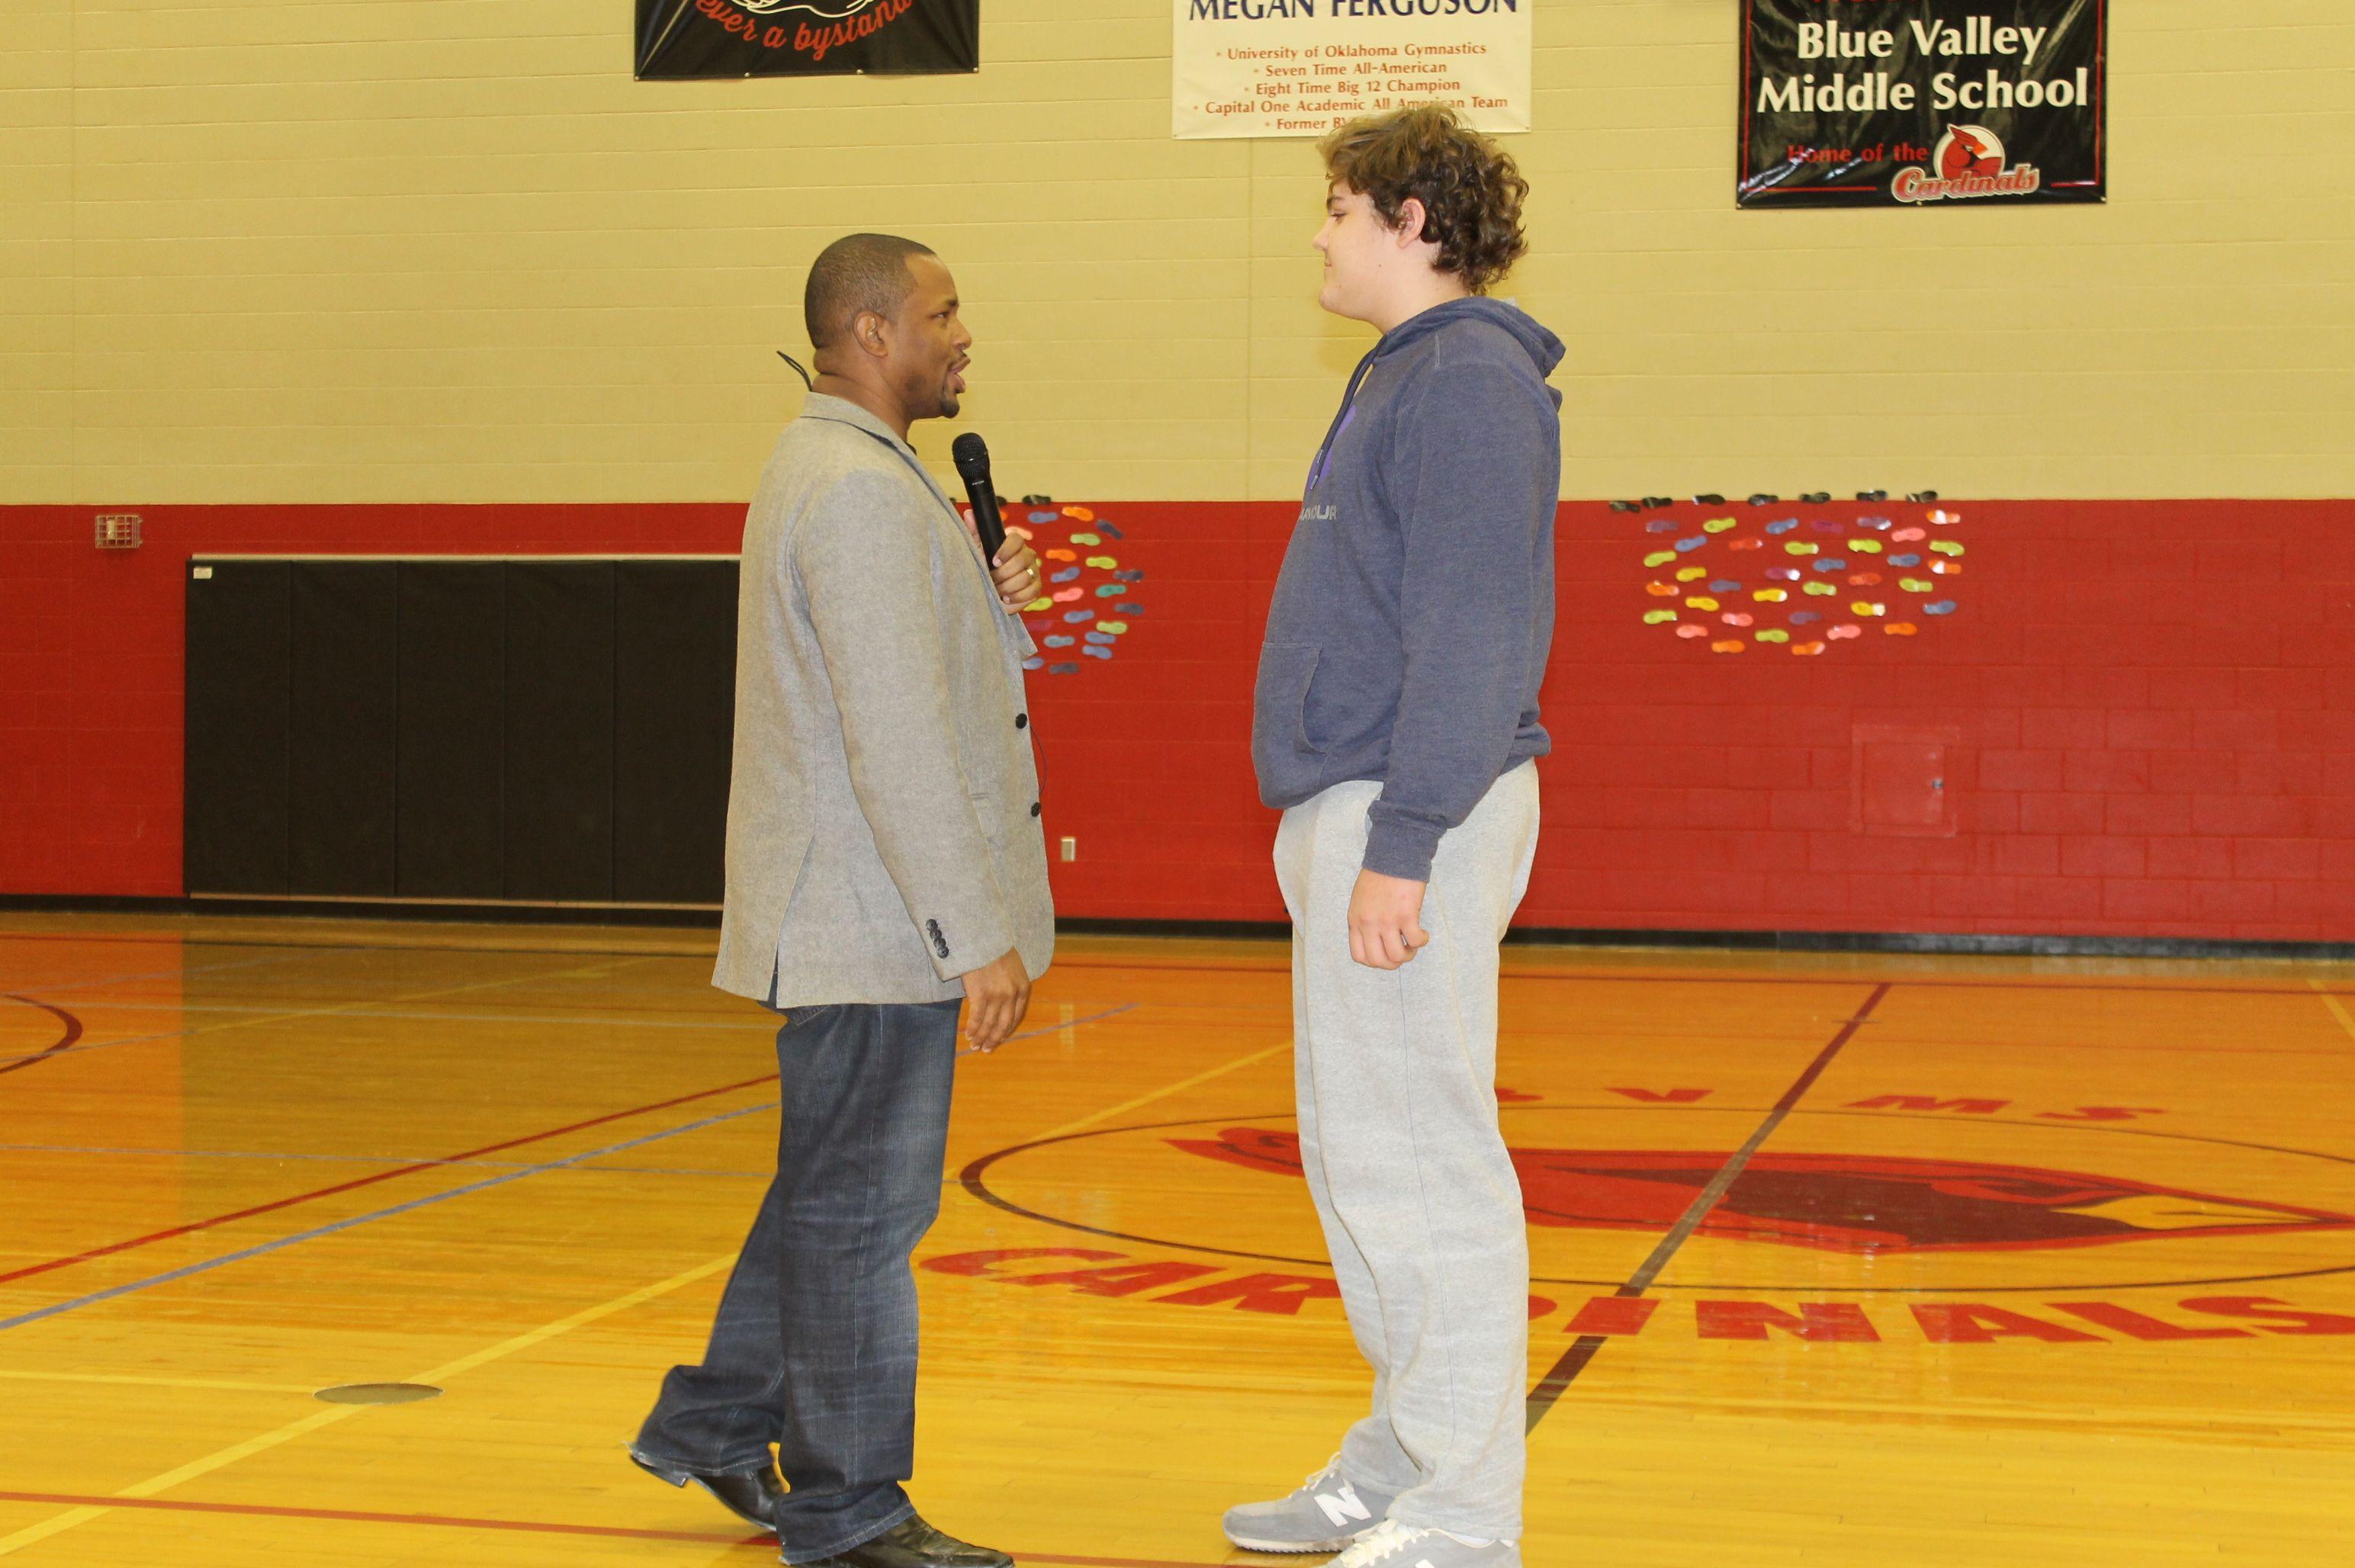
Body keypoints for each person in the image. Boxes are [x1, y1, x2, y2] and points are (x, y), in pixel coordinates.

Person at [628, 233, 1053, 1568]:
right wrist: (969, 931)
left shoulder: (854, 472)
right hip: (877, 924)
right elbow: (895, 737)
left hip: (869, 914)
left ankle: (712, 1423)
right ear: (873, 334)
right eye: (943, 312)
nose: (963, 332)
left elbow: (931, 688)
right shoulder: (859, 492)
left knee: (828, 1195)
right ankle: (850, 1506)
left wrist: (997, 609)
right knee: (863, 1220)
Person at [1226, 108, 1561, 1568]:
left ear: (1417, 223)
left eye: (1343, 209)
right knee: (1368, 1157)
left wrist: (1406, 835)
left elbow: (1481, 636)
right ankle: (1400, 1456)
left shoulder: (1473, 383)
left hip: (1415, 804)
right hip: (1363, 801)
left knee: (1424, 1161)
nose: (1321, 233)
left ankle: (1467, 1514)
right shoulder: (1410, 376)